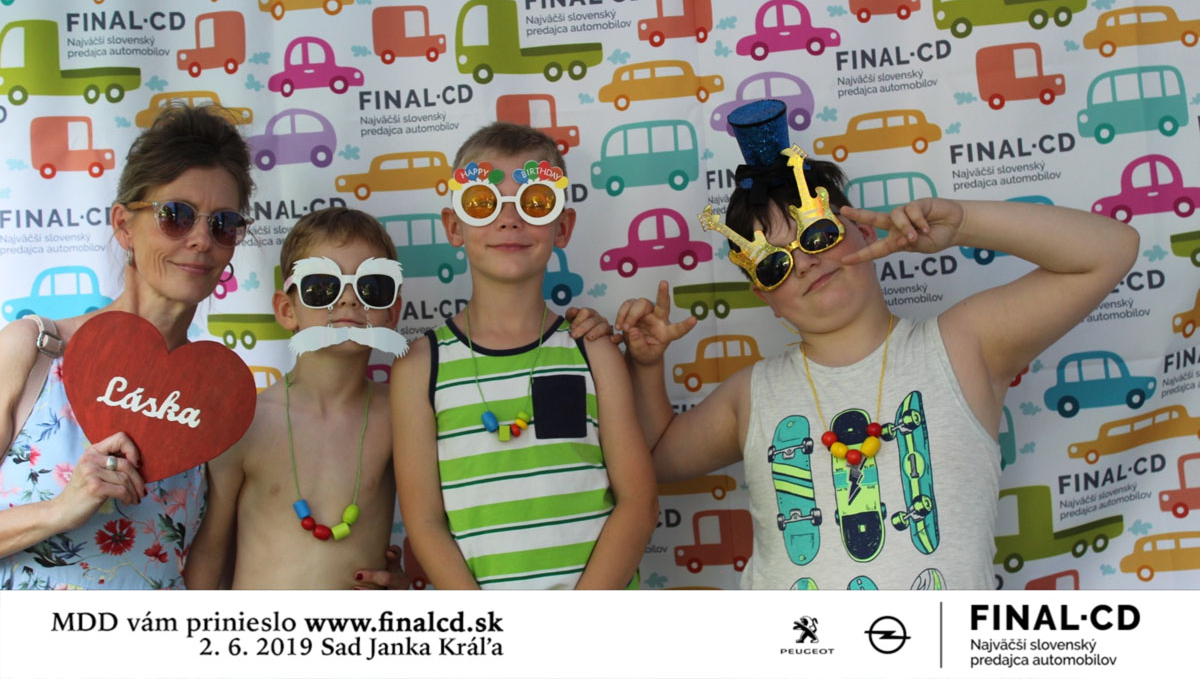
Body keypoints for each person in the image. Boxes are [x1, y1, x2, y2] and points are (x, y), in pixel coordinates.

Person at [615, 99, 1138, 590]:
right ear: (765, 297)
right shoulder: (752, 393)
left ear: (863, 230)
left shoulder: (960, 348)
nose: (805, 262)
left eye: (817, 234)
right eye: (775, 264)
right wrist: (646, 365)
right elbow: (655, 459)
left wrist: (962, 224)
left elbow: (1111, 251)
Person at [392, 122, 658, 589]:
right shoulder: (418, 367)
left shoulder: (593, 351)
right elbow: (426, 523)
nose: (509, 219)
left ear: (563, 227)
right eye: (483, 203)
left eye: (535, 203)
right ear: (454, 226)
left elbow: (638, 502)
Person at [0, 104, 256, 589]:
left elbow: (207, 581)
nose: (201, 240)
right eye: (176, 216)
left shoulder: (217, 406)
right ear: (123, 224)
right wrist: (60, 509)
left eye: (222, 223)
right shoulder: (33, 351)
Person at [185, 208, 409, 590]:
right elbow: (209, 553)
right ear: (287, 310)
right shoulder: (246, 420)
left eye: (372, 287)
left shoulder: (401, 416)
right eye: (322, 287)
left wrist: (407, 587)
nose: (349, 300)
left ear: (392, 311)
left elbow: (436, 523)